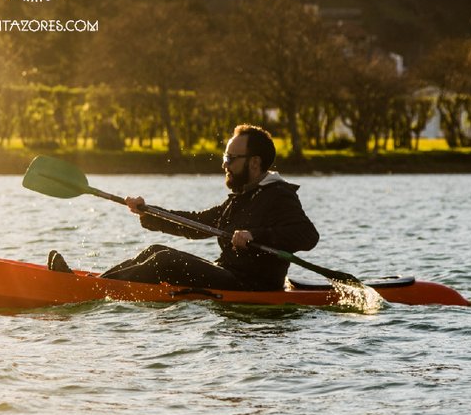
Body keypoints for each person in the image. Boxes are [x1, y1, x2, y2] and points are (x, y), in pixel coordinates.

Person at [48, 124, 319, 291]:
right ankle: (93, 286)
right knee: (156, 251)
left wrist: (255, 235)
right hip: (229, 273)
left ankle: (89, 289)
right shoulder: (243, 197)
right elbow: (197, 224)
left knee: (165, 261)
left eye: (231, 158)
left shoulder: (279, 194)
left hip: (253, 285)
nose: (224, 164)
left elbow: (307, 236)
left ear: (255, 163)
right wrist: (148, 212)